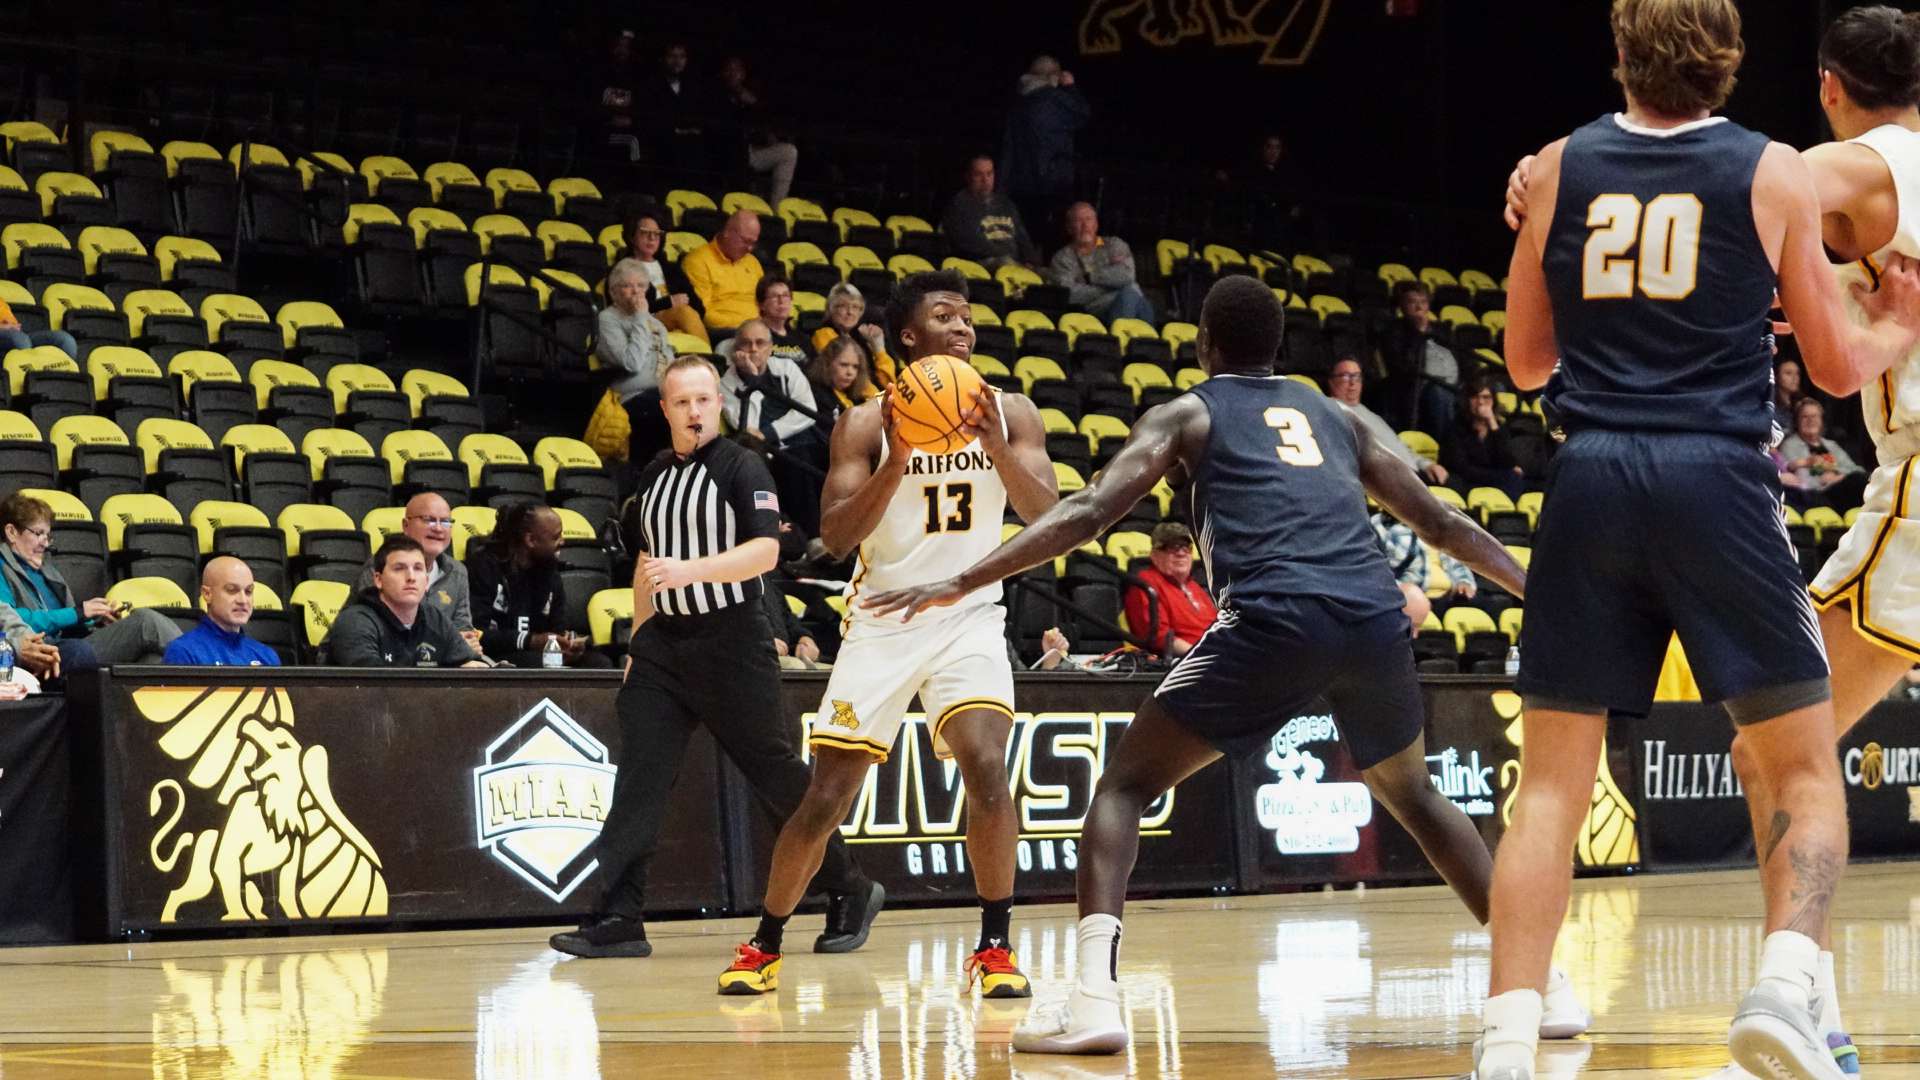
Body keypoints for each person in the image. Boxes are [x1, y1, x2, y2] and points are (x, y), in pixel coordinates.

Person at [860, 276, 1579, 1057]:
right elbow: (1440, 520)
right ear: (1278, 348)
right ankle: (1542, 985)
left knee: (1123, 788)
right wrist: (1536, 592)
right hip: (1372, 617)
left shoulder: (1189, 412)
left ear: (1204, 344)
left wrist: (966, 577)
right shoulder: (1337, 415)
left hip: (1274, 616)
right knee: (1416, 795)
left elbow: (1090, 509)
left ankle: (1094, 998)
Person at [1483, 2, 1920, 1075]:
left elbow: (1528, 363)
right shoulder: (1771, 170)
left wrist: (1539, 196)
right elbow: (1830, 361)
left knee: (1549, 788)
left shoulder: (1562, 163)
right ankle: (1790, 991)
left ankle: (1501, 1043)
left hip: (1588, 474)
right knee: (1802, 761)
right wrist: (1891, 325)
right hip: (1718, 478)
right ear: (1733, 61)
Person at [716, 270, 1058, 998]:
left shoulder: (1013, 411)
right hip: (883, 620)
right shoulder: (866, 423)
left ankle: (995, 946)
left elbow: (1048, 519)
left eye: (968, 317)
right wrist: (899, 461)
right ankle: (765, 941)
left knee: (988, 768)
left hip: (969, 615)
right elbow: (835, 536)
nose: (964, 328)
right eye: (946, 316)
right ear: (909, 337)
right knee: (827, 795)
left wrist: (996, 450)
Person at [551, 356, 879, 961]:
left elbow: (763, 552)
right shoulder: (652, 475)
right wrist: (637, 645)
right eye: (682, 402)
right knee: (639, 779)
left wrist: (690, 571)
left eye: (704, 399)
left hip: (731, 640)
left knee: (774, 775)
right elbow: (647, 570)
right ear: (667, 409)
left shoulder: (741, 464)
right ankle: (620, 915)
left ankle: (850, 887)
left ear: (718, 405)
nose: (695, 410)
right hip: (662, 648)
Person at [0, 492, 179, 669]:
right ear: (12, 532)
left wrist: (94, 621)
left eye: (47, 536)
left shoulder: (48, 571)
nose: (45, 543)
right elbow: (13, 620)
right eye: (38, 533)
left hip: (70, 648)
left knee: (152, 658)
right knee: (145, 621)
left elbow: (67, 627)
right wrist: (78, 613)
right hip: (45, 653)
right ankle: (204, 666)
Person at [465, 502, 612, 670]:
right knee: (542, 664)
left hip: (538, 655)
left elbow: (558, 627)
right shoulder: (483, 566)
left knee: (600, 663)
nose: (562, 541)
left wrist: (567, 644)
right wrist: (530, 641)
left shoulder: (550, 571)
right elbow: (475, 632)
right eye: (556, 537)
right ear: (531, 540)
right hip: (496, 655)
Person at [720, 318, 825, 536]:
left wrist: (770, 432)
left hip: (801, 438)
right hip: (768, 451)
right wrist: (753, 378)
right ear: (735, 349)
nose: (753, 349)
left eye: (760, 343)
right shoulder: (725, 383)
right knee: (799, 463)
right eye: (746, 344)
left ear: (770, 348)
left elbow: (807, 411)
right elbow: (747, 425)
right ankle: (813, 537)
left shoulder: (787, 368)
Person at [329, 537, 490, 668]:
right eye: (399, 568)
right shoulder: (356, 622)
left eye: (418, 568)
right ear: (378, 579)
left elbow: (470, 663)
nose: (411, 577)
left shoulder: (434, 618)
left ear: (426, 581)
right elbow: (373, 687)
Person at [355, 493, 476, 649]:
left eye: (446, 522)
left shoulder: (457, 572)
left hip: (440, 663)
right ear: (406, 525)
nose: (439, 528)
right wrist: (449, 645)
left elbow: (464, 630)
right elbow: (380, 634)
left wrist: (467, 644)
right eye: (429, 520)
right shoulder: (381, 567)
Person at [1001, 56, 1089, 252]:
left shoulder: (1018, 104)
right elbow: (1082, 114)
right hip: (1053, 181)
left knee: (1027, 238)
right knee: (1055, 240)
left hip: (1022, 182)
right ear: (1054, 76)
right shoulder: (1056, 100)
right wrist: (1070, 87)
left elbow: (1008, 147)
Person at [599, 258, 678, 466]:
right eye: (627, 286)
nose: (635, 291)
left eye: (641, 285)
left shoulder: (656, 324)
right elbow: (631, 363)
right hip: (630, 397)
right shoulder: (608, 319)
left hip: (663, 393)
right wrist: (640, 318)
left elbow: (669, 362)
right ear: (614, 292)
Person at [1327, 355, 1449, 485]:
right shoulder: (1331, 411)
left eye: (1357, 376)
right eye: (1346, 376)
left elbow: (1399, 447)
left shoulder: (1372, 415)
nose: (1353, 383)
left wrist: (1426, 464)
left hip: (1412, 474)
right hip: (1388, 480)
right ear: (1331, 381)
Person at [1376, 281, 1464, 436]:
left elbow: (1463, 359)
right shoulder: (1393, 332)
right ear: (1402, 307)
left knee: (1491, 389)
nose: (1419, 308)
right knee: (1439, 392)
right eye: (1412, 302)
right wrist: (1420, 333)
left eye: (1423, 302)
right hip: (1418, 388)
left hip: (1453, 384)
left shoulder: (1442, 330)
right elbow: (1402, 368)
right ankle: (1449, 446)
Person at [1120, 522, 1217, 658]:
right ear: (1155, 555)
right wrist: (1205, 656)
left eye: (1186, 547)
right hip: (1186, 662)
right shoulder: (1146, 584)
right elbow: (1159, 638)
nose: (1181, 553)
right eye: (1173, 547)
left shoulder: (1196, 588)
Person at [1371, 509, 1477, 632]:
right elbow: (1376, 572)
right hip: (1411, 599)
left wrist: (1464, 581)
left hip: (1450, 598)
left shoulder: (1438, 526)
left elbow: (1456, 560)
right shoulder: (1379, 526)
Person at [162, 556, 281, 666]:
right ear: (207, 594)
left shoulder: (267, 655)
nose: (243, 600)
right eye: (231, 590)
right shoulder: (183, 652)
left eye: (248, 591)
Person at [1048, 203, 1154, 324]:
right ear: (1069, 228)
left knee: (1137, 300)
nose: (1085, 225)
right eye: (1078, 220)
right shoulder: (1062, 258)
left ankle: (1125, 340)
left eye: (1089, 219)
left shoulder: (1115, 244)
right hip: (1092, 311)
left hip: (1125, 303)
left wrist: (1089, 277)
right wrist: (1114, 287)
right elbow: (1069, 295)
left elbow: (1127, 276)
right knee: (1131, 294)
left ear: (1096, 224)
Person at [715, 56, 799, 207]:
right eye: (730, 69)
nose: (734, 73)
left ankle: (776, 211)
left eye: (738, 70)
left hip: (750, 151)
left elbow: (764, 122)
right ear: (723, 73)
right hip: (728, 153)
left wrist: (753, 105)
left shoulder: (750, 97)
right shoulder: (716, 96)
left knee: (789, 151)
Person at [619, 208, 709, 344]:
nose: (652, 238)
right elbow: (628, 311)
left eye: (657, 233)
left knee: (686, 314)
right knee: (683, 312)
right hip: (642, 325)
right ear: (632, 236)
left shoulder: (671, 269)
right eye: (645, 232)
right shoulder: (623, 269)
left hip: (677, 324)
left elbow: (698, 307)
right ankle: (710, 362)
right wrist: (669, 302)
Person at [941, 156, 1040, 270]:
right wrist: (1007, 255)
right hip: (979, 264)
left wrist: (1030, 261)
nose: (985, 180)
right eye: (978, 175)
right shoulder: (958, 205)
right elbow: (970, 244)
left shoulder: (1006, 204)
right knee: (1005, 262)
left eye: (989, 174)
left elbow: (1022, 237)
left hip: (1013, 262)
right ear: (968, 177)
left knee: (1049, 276)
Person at [1441, 375, 1526, 499]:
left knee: (1515, 478)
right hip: (1467, 480)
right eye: (1475, 397)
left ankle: (1507, 517)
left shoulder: (1498, 428)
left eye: (1486, 397)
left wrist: (1492, 422)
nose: (1480, 402)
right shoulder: (1456, 427)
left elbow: (1507, 461)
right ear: (1468, 400)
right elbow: (1462, 467)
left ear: (1493, 401)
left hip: (1491, 479)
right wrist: (1500, 474)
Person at [682, 210, 765, 334]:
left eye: (753, 243)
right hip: (726, 333)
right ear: (727, 232)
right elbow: (703, 313)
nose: (750, 248)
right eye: (746, 241)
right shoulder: (698, 261)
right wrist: (746, 325)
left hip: (761, 331)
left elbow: (766, 301)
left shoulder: (753, 262)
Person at [1778, 397, 1867, 512]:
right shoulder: (1790, 445)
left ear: (1821, 421)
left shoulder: (1831, 445)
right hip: (1817, 495)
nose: (1811, 421)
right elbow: (1800, 479)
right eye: (1805, 417)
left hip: (1841, 488)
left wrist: (1838, 475)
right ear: (1797, 422)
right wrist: (1822, 480)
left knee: (1863, 479)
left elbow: (1856, 469)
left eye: (1815, 416)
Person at [642, 42, 710, 179]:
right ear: (663, 59)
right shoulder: (652, 85)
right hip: (661, 147)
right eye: (672, 56)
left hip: (690, 150)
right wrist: (676, 130)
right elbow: (650, 120)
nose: (677, 61)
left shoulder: (693, 86)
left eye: (681, 56)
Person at [810, 282, 897, 388]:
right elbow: (847, 379)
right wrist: (877, 399)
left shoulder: (862, 337)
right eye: (843, 306)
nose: (850, 312)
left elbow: (888, 382)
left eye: (855, 307)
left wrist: (879, 348)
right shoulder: (823, 334)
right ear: (831, 309)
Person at [807, 335, 878, 439]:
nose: (850, 372)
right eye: (844, 365)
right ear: (827, 364)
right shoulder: (815, 395)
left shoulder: (858, 398)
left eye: (855, 367)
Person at [759, 573, 822, 669]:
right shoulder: (731, 580)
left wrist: (804, 638)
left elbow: (788, 618)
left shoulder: (765, 581)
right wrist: (761, 642)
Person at [596, 29, 641, 161]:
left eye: (626, 47)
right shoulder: (599, 73)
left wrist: (632, 121)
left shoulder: (638, 76)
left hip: (630, 130)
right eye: (618, 46)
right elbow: (592, 105)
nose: (621, 50)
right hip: (603, 130)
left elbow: (643, 106)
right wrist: (608, 119)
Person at [749, 276, 811, 365]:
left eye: (785, 295)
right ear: (761, 304)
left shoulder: (803, 339)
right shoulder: (754, 337)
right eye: (774, 296)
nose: (781, 301)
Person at [0, 296, 75, 359]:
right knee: (20, 340)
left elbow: (11, 322)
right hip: (11, 336)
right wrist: (4, 327)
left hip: (19, 333)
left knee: (64, 339)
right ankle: (28, 373)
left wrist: (12, 325)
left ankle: (65, 374)